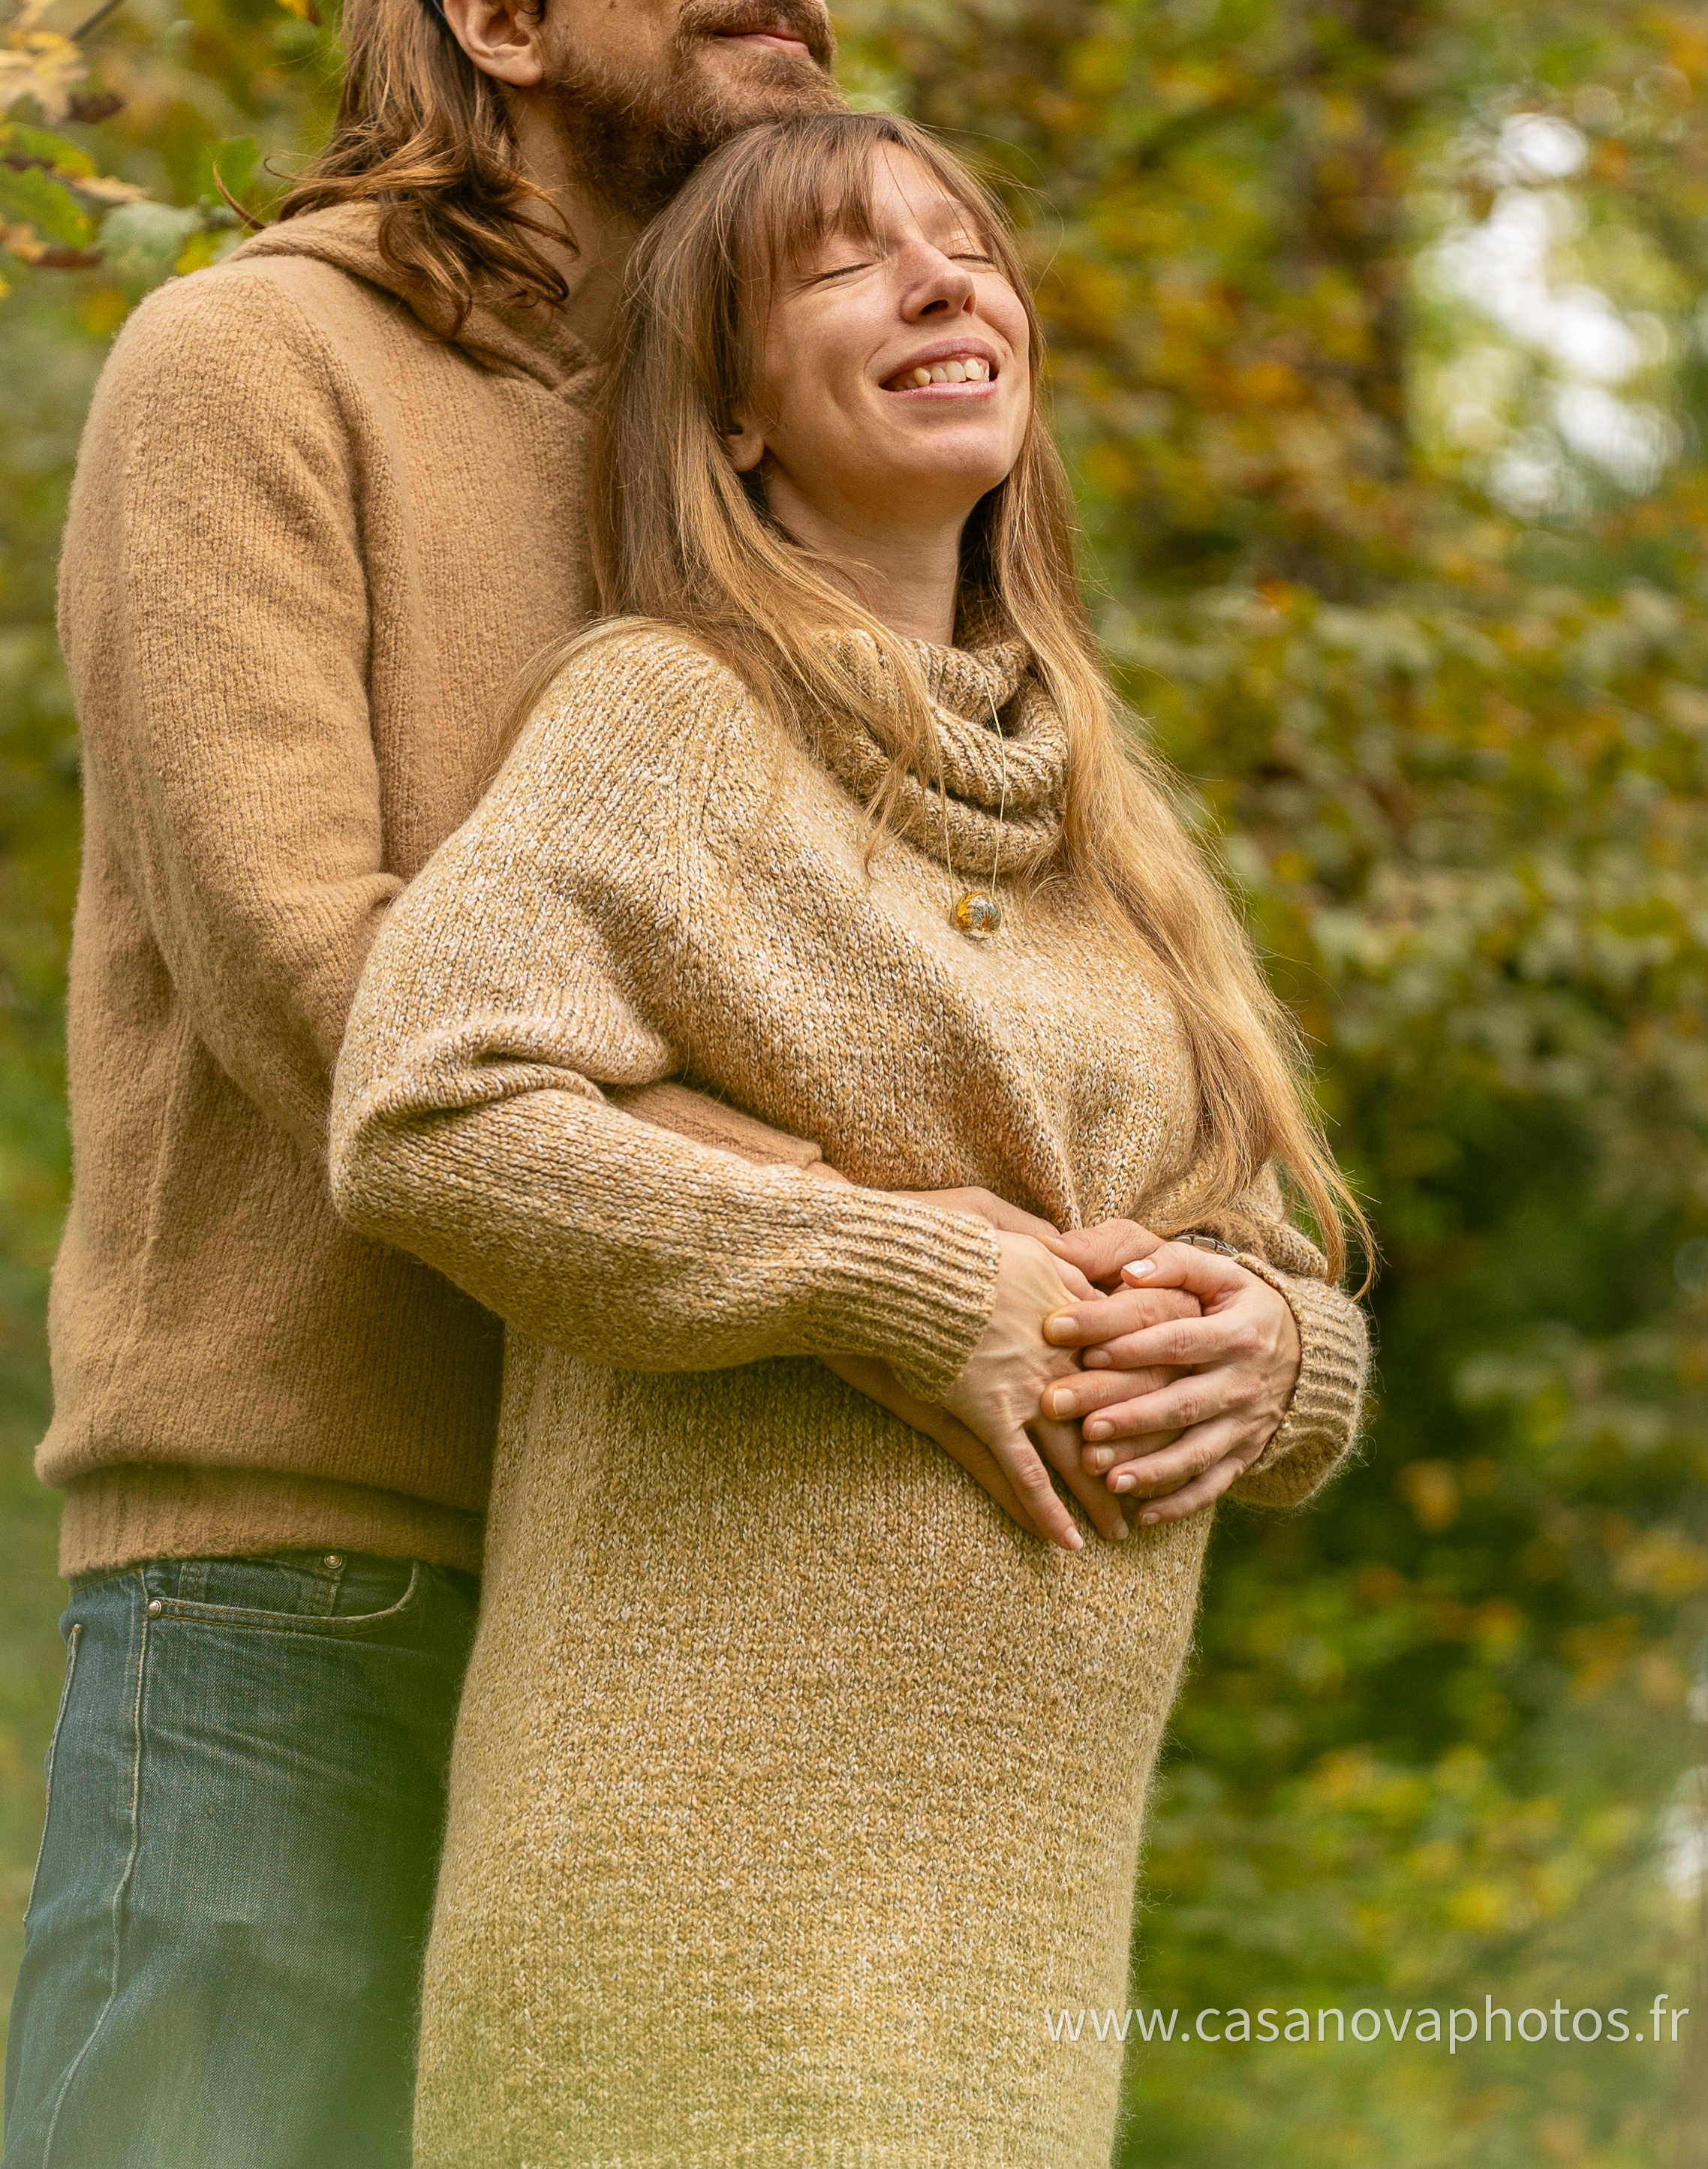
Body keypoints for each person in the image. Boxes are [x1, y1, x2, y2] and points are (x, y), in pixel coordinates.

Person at [328, 109, 1373, 2169]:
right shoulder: (666, 715)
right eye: (843, 260)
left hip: (1018, 1906)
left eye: (968, 244)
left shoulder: (1105, 822)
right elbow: (428, 1113)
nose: (940, 281)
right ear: (726, 412)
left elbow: (1251, 1249)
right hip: (707, 1879)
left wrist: (1280, 1364)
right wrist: (886, 1275)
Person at [2, 0, 847, 2169]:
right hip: (302, 1571)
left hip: (695, 1559)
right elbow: (305, 970)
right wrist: (853, 1236)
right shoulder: (253, 363)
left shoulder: (751, 456)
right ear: (497, 18)